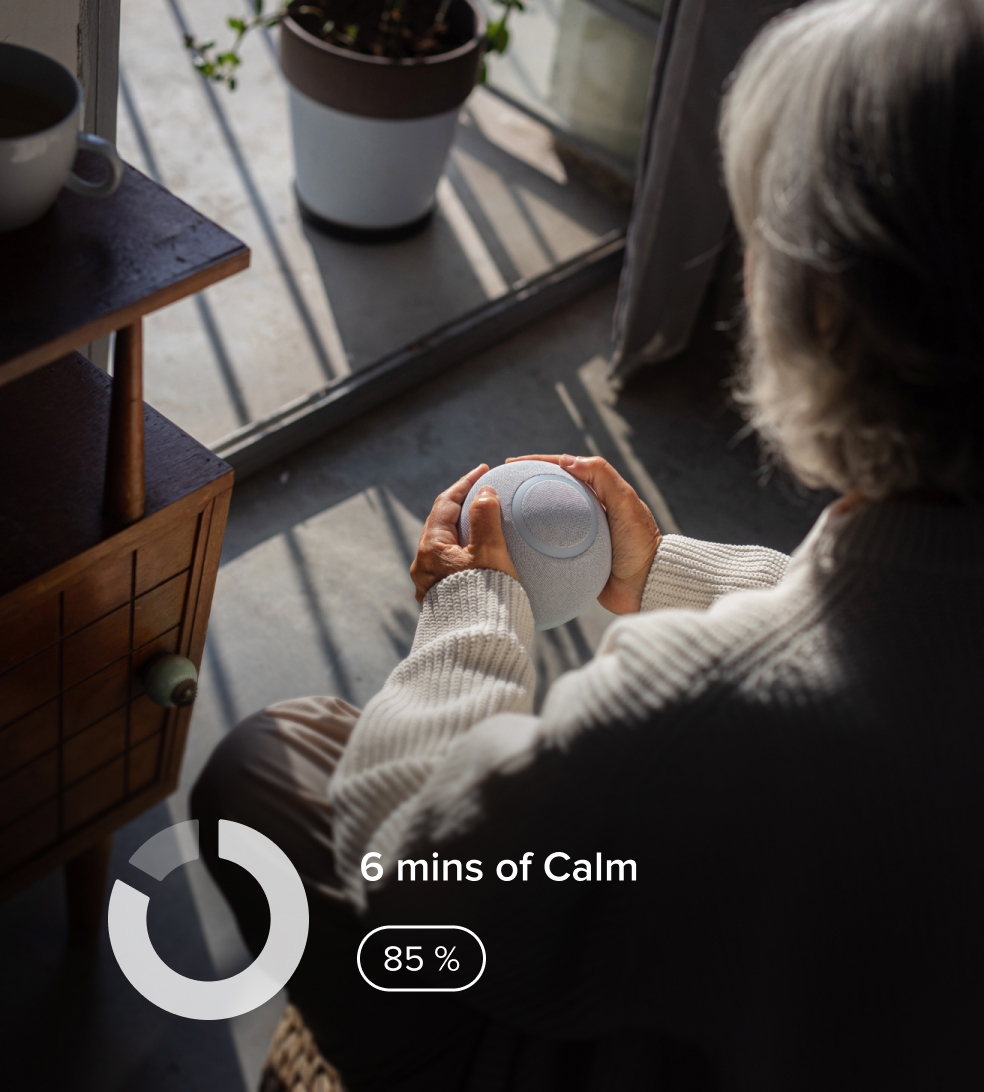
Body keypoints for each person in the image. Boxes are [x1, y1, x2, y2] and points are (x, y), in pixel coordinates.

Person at [192, 0, 984, 1087]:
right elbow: (899, 627)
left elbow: (407, 869)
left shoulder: (691, 717)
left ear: (823, 312)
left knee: (261, 767)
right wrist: (663, 572)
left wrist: (472, 622)